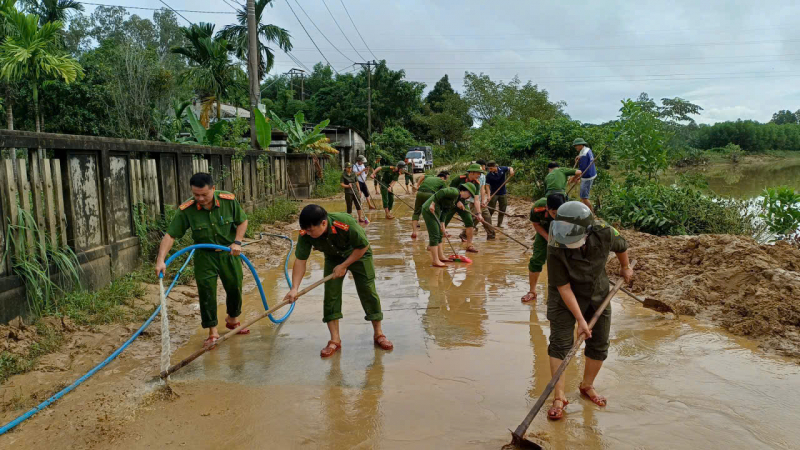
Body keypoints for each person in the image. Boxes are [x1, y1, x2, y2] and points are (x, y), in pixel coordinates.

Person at [544, 201, 633, 421]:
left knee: (600, 342)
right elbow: (563, 287)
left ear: (587, 230)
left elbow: (622, 246)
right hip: (564, 297)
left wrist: (625, 267)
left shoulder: (603, 231)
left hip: (597, 291)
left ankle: (587, 385)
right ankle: (559, 396)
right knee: (560, 343)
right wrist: (580, 320)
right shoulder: (555, 242)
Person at [284, 205, 393, 357]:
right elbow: (301, 260)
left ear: (323, 223)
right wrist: (294, 288)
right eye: (306, 230)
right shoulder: (305, 233)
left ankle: (379, 334)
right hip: (333, 258)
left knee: (367, 290)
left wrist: (344, 265)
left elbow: (363, 245)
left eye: (311, 230)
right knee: (331, 295)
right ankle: (335, 340)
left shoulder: (344, 222)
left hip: (358, 254)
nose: (307, 233)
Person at [155, 173, 248, 348]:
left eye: (204, 194)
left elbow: (242, 221)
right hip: (204, 256)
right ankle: (212, 332)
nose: (200, 198)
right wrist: (161, 260)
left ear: (213, 188)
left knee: (235, 286)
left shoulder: (228, 201)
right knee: (207, 292)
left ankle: (233, 320)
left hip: (229, 252)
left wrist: (237, 241)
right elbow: (170, 235)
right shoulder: (187, 209)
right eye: (196, 195)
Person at [520, 193, 566, 303]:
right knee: (537, 259)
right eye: (553, 213)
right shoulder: (537, 208)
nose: (556, 216)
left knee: (565, 260)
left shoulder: (569, 210)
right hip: (544, 231)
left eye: (559, 213)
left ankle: (565, 292)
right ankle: (532, 292)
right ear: (546, 208)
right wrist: (547, 237)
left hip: (563, 232)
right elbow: (536, 224)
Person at [421, 183, 477, 267]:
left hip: (437, 212)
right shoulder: (454, 192)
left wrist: (442, 223)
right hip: (429, 210)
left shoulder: (455, 200)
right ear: (465, 191)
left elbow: (445, 211)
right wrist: (432, 203)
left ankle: (441, 256)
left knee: (439, 233)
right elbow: (441, 192)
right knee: (435, 235)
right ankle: (435, 260)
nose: (469, 197)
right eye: (469, 194)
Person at [448, 163, 486, 253]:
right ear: (472, 172)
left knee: (469, 223)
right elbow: (449, 192)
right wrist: (457, 201)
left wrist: (479, 213)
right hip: (451, 202)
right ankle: (436, 245)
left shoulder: (477, 183)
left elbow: (476, 200)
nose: (479, 175)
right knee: (443, 222)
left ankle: (469, 245)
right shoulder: (459, 179)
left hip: (464, 203)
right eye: (478, 173)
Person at [460, 159, 495, 241]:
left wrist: (483, 201)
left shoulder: (482, 176)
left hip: (479, 200)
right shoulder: (467, 177)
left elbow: (482, 189)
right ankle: (464, 234)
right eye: (483, 166)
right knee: (475, 218)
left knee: (487, 217)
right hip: (472, 201)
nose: (479, 174)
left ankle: (491, 235)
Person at [411, 170, 449, 239]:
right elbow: (444, 194)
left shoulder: (430, 176)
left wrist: (417, 186)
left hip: (420, 193)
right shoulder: (442, 182)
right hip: (430, 194)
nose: (445, 181)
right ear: (443, 178)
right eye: (446, 179)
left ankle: (414, 232)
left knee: (416, 213)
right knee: (433, 213)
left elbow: (422, 176)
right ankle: (439, 232)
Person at [485, 161, 515, 227]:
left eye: (491, 168)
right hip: (494, 194)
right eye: (489, 169)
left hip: (503, 193)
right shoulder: (489, 175)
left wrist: (511, 171)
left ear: (495, 167)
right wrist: (488, 195)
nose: (490, 170)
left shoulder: (502, 169)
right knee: (491, 209)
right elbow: (487, 186)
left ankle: (499, 224)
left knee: (502, 209)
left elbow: (510, 168)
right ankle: (487, 223)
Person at [573, 138, 597, 214]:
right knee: (583, 196)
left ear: (580, 145)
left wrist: (576, 177)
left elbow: (582, 170)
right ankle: (585, 211)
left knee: (584, 197)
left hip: (587, 176)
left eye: (576, 146)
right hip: (591, 174)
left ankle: (591, 213)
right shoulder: (586, 150)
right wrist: (579, 157)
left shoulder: (584, 154)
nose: (575, 147)